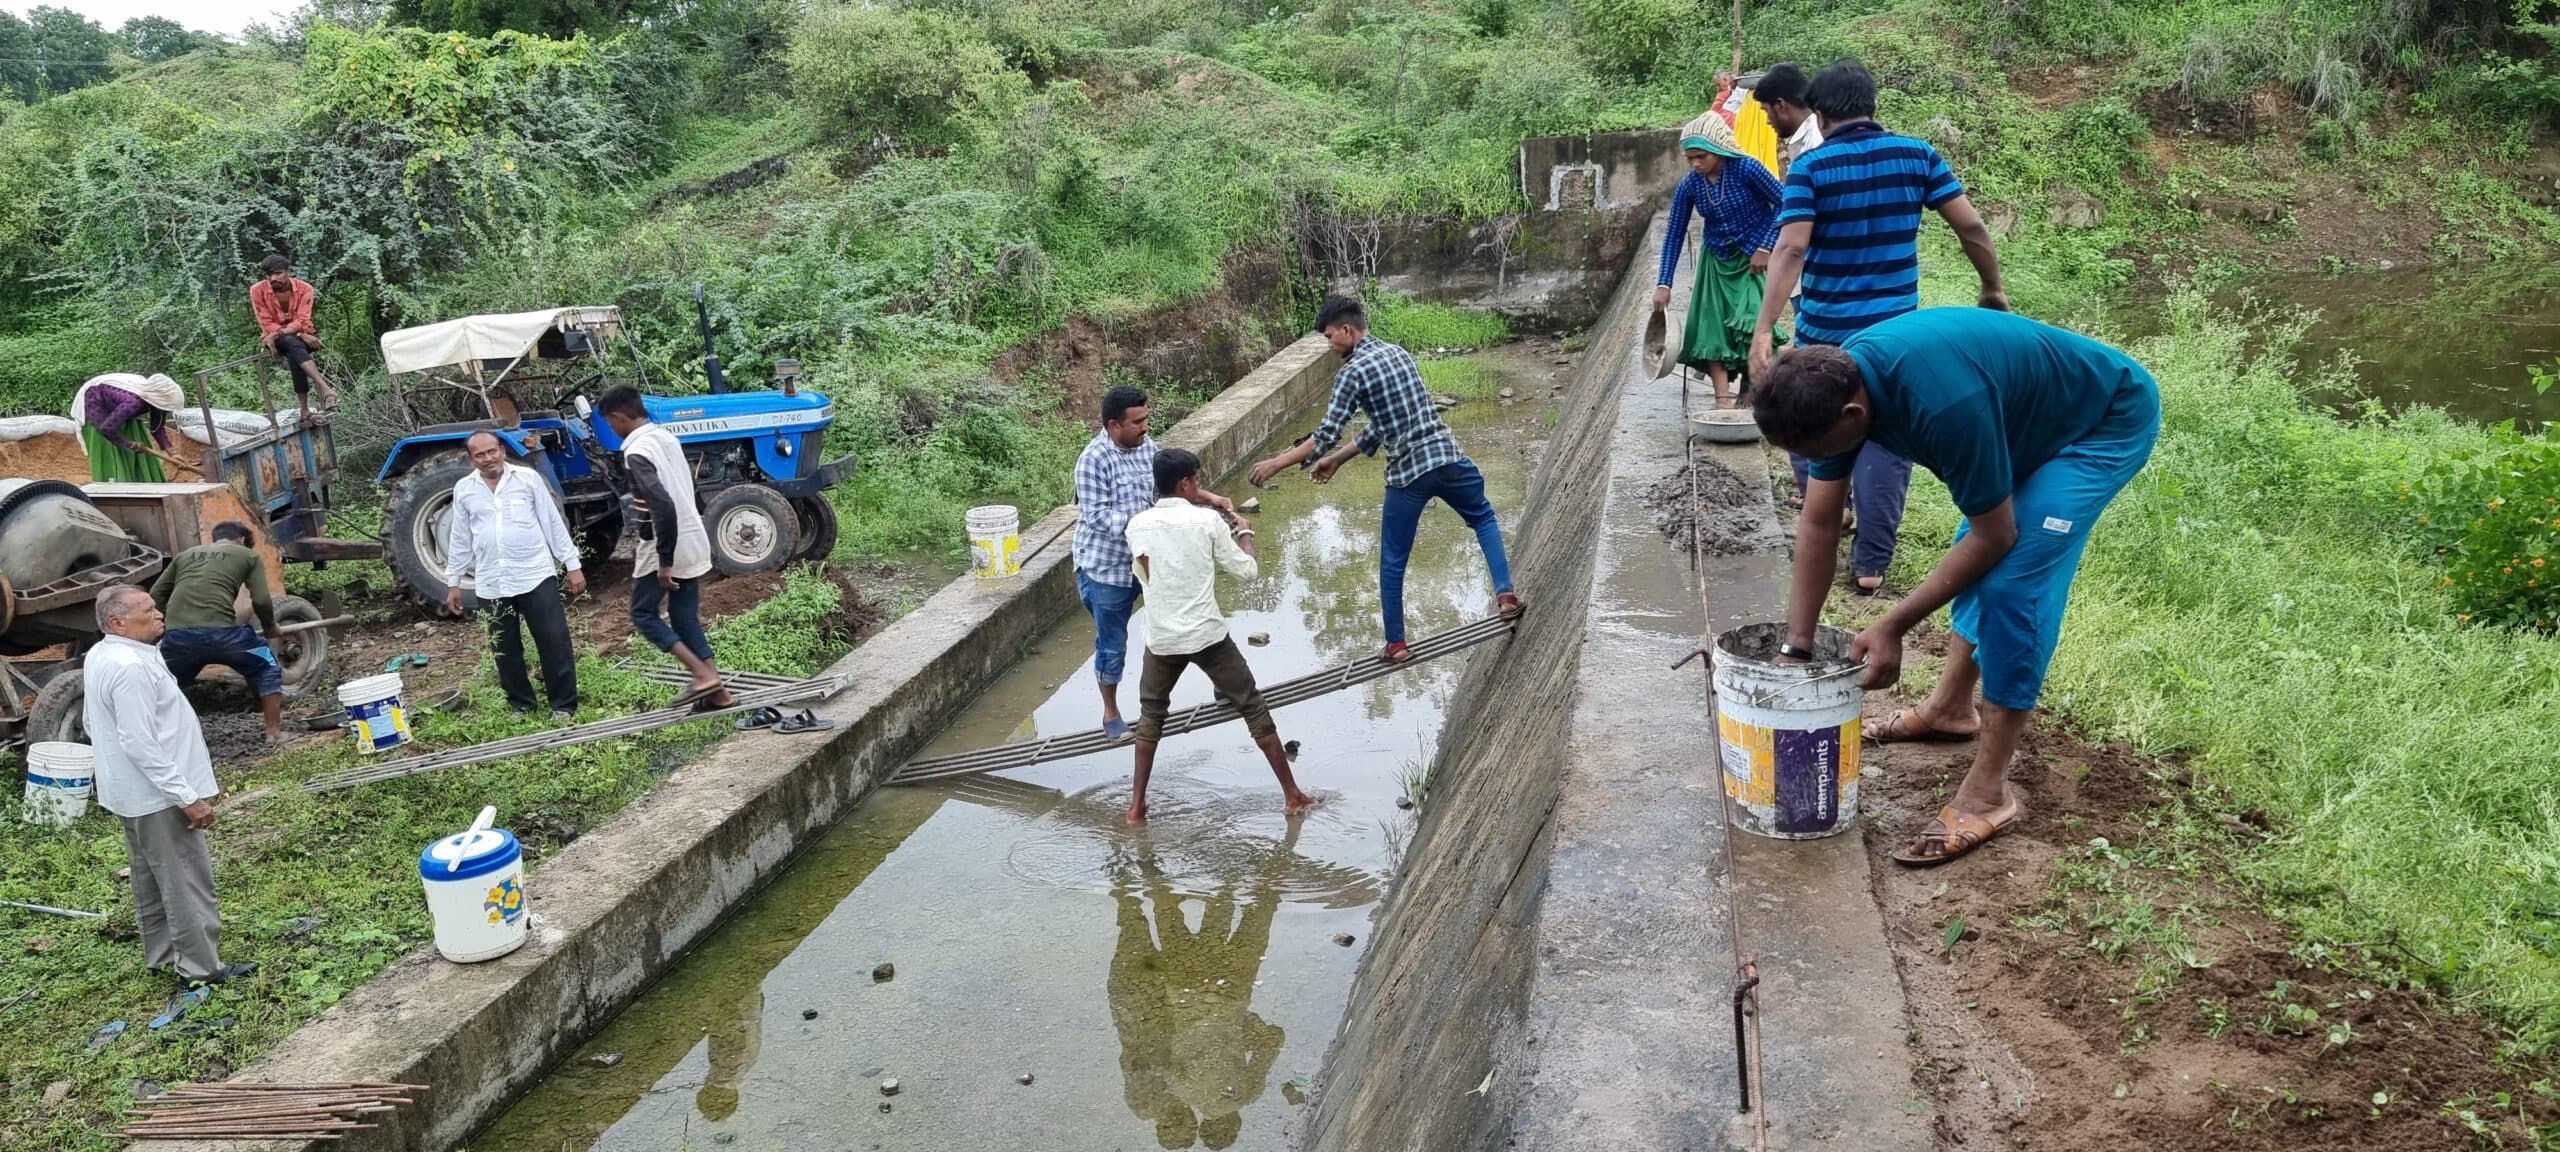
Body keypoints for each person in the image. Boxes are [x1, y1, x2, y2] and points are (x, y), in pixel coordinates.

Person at [1753, 307, 2159, 866]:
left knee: (2011, 582)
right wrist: (1796, 649)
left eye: (1818, 452)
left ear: (1853, 413)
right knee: (1981, 548)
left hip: (2100, 420)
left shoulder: (1941, 406)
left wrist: (1893, 623)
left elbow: (1996, 536)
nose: (1817, 464)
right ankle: (1948, 709)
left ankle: (1990, 792)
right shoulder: (1834, 386)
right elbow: (1820, 523)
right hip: (2023, 420)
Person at [1749, 58, 2007, 596]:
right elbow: (1971, 226)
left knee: (1806, 415)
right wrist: (1991, 288)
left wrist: (1763, 327)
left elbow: (1792, 246)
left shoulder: (1811, 169)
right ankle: (1870, 564)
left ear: (1818, 112)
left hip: (1826, 331)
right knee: (1886, 436)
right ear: (1873, 107)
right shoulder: (1918, 154)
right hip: (1895, 337)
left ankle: (1830, 509)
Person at [1246, 295, 1524, 661]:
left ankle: (1396, 644)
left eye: (1330, 337)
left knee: (1393, 561)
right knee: (1484, 518)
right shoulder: (1399, 353)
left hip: (1408, 475)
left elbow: (1327, 431)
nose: (1330, 346)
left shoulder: (1352, 373)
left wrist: (1277, 463)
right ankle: (1505, 595)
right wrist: (1339, 460)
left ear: (1347, 330)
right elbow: (1382, 425)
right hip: (1449, 458)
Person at [1123, 448, 1315, 824]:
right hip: (1207, 636)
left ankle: (1136, 807)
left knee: (1151, 717)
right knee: (1253, 707)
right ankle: (1293, 796)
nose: (1200, 486)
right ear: (1185, 483)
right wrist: (1244, 533)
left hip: (1161, 637)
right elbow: (1246, 573)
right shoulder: (1207, 523)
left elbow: (1147, 573)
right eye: (1197, 479)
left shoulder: (1136, 525)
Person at [84, 585, 260, 988]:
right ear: (118, 623)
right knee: (185, 880)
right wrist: (186, 796)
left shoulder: (104, 655)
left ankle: (164, 956)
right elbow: (140, 742)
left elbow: (96, 725)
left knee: (151, 878)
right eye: (148, 610)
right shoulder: (130, 667)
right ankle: (201, 970)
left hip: (131, 794)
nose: (160, 613)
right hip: (158, 795)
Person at [599, 386, 731, 710]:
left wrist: (665, 560)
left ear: (617, 417)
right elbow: (689, 489)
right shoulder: (666, 437)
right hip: (692, 534)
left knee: (643, 614)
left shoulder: (636, 452)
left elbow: (661, 507)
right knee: (683, 616)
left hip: (663, 541)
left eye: (609, 423)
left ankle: (701, 675)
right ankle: (719, 693)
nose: (611, 429)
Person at [442, 430, 587, 720]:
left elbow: (552, 523)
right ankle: (521, 705)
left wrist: (572, 565)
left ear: (502, 451)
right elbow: (459, 537)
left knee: (553, 641)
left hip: (534, 573)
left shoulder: (527, 479)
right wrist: (453, 582)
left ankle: (563, 705)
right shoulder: (464, 489)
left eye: (492, 451)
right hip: (492, 581)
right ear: (471, 459)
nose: (488, 458)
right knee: (505, 648)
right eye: (480, 454)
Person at [1653, 110, 1785, 409]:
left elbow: (1784, 201)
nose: (1696, 163)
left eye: (1701, 156)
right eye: (1690, 158)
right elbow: (1675, 233)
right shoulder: (1691, 185)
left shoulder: (1748, 169)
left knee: (1753, 324)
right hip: (1716, 260)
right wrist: (1664, 283)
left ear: (1719, 151)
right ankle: (1722, 400)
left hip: (1753, 260)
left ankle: (1749, 392)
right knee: (1712, 329)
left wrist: (1765, 246)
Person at [1073, 386, 1177, 741]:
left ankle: (1219, 684)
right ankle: (1111, 711)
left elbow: (1161, 491)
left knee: (1179, 617)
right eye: (1138, 422)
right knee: (1113, 643)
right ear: (1114, 425)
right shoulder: (1092, 460)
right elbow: (1099, 517)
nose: (1146, 427)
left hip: (1146, 557)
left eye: (1147, 418)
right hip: (1107, 568)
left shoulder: (1147, 446)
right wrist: (1147, 521)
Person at [148, 522, 288, 744]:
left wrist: (170, 627)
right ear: (242, 539)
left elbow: (156, 594)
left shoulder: (185, 555)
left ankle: (168, 740)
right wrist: (271, 627)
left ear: (215, 538)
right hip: (225, 637)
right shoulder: (247, 555)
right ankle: (274, 733)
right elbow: (261, 599)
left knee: (169, 682)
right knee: (266, 666)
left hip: (178, 640)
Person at [70, 372, 192, 483]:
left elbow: (157, 427)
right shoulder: (133, 402)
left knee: (137, 443)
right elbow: (106, 428)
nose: (165, 411)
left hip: (119, 409)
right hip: (95, 402)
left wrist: (173, 453)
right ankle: (116, 487)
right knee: (113, 449)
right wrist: (129, 444)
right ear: (159, 400)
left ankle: (144, 482)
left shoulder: (156, 401)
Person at [250, 254, 337, 407]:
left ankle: (304, 410)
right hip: (276, 340)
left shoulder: (305, 288)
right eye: (269, 274)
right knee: (292, 343)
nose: (273, 278)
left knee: (293, 349)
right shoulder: (257, 290)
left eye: (278, 273)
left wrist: (299, 333)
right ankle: (326, 389)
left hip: (302, 336)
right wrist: (297, 334)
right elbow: (266, 322)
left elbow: (303, 319)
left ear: (288, 271)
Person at [1751, 62, 1826, 178]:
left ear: (1780, 105)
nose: (1767, 121)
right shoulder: (1809, 136)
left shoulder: (1816, 142)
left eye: (1766, 111)